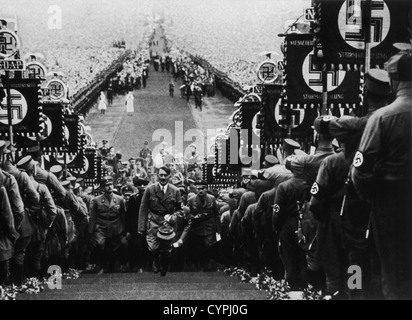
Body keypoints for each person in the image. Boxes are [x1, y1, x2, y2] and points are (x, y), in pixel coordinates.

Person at [351, 51, 412, 300]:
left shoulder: (383, 118)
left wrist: (372, 197)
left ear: (394, 81)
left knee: (392, 274)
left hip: (390, 206)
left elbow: (359, 172)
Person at [138, 166, 182, 276]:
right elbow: (143, 209)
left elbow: (179, 210)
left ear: (169, 176)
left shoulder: (175, 191)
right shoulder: (150, 189)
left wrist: (173, 217)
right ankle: (156, 260)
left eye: (165, 175)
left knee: (167, 249)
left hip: (168, 223)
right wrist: (141, 227)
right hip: (153, 221)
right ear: (157, 176)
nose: (162, 177)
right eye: (160, 175)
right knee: (153, 247)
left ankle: (164, 266)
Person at [88, 176, 127, 274]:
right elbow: (93, 216)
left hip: (116, 225)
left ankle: (113, 267)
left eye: (110, 184)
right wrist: (91, 231)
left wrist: (124, 229)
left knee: (115, 247)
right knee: (100, 245)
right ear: (102, 188)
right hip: (102, 225)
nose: (109, 187)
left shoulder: (120, 199)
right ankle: (102, 266)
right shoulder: (96, 200)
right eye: (106, 185)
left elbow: (123, 215)